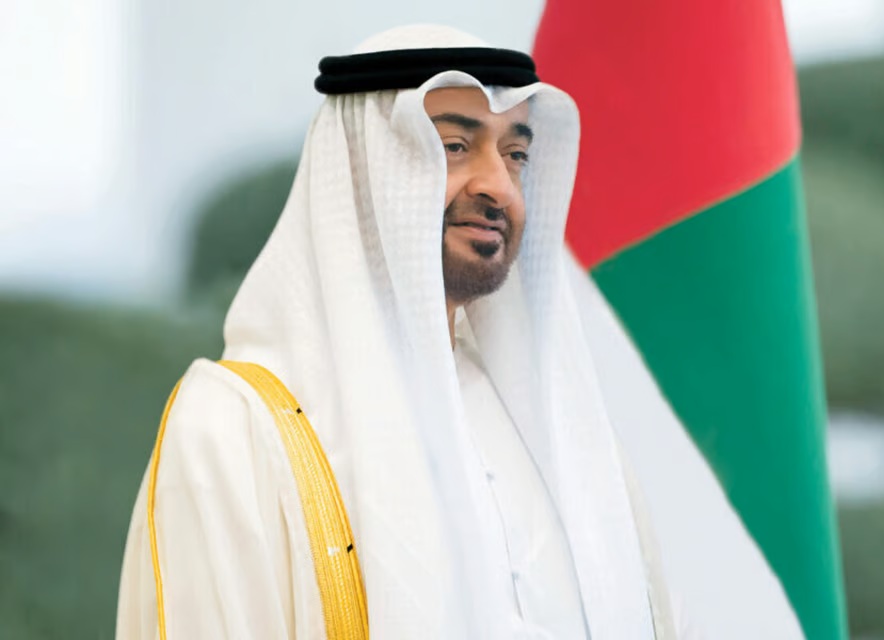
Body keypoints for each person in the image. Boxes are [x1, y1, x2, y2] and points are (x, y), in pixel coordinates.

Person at [117, 24, 805, 639]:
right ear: (364, 169)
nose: (499, 187)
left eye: (515, 155)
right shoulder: (234, 430)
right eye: (452, 146)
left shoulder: (565, 435)